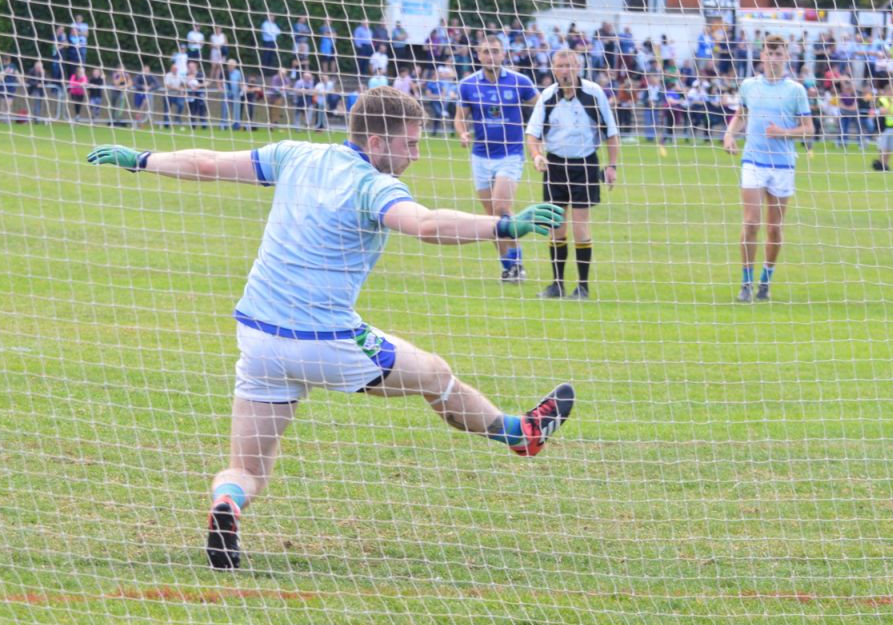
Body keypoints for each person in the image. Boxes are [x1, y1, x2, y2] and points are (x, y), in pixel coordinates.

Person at [86, 85, 574, 570]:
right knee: (435, 375)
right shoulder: (374, 185)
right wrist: (505, 227)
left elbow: (208, 163)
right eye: (411, 143)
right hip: (326, 343)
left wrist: (141, 158)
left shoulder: (293, 154)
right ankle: (520, 434)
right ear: (378, 143)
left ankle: (226, 505)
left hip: (258, 340)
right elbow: (426, 225)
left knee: (247, 470)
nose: (417, 155)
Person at [723, 34, 813, 303]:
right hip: (753, 160)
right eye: (769, 54)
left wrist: (784, 132)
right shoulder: (749, 85)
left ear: (786, 56)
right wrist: (729, 135)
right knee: (751, 222)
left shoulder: (796, 90)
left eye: (778, 54)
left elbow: (809, 129)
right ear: (761, 56)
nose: (773, 58)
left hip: (783, 165)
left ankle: (765, 280)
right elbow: (741, 116)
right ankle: (746, 283)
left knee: (774, 228)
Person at [525, 49, 621, 300]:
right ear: (553, 69)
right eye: (559, 66)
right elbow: (532, 135)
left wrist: (612, 166)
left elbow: (611, 132)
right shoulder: (548, 96)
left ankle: (583, 287)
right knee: (556, 225)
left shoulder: (593, 93)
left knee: (580, 225)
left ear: (578, 67)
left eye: (569, 66)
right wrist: (536, 155)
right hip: (554, 165)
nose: (564, 71)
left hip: (585, 165)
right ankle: (556, 284)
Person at [455, 35, 540, 282]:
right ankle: (508, 266)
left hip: (510, 154)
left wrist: (538, 133)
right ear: (478, 55)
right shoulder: (468, 84)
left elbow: (542, 106)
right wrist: (462, 133)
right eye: (485, 51)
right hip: (480, 156)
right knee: (491, 217)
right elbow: (460, 117)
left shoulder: (519, 81)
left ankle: (518, 263)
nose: (490, 56)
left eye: (495, 51)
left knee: (502, 208)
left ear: (504, 54)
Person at [874, 82, 893, 171]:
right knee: (883, 146)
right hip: (884, 126)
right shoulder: (882, 100)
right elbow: (882, 111)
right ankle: (880, 163)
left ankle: (886, 164)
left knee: (890, 147)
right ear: (887, 91)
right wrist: (890, 105)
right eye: (891, 91)